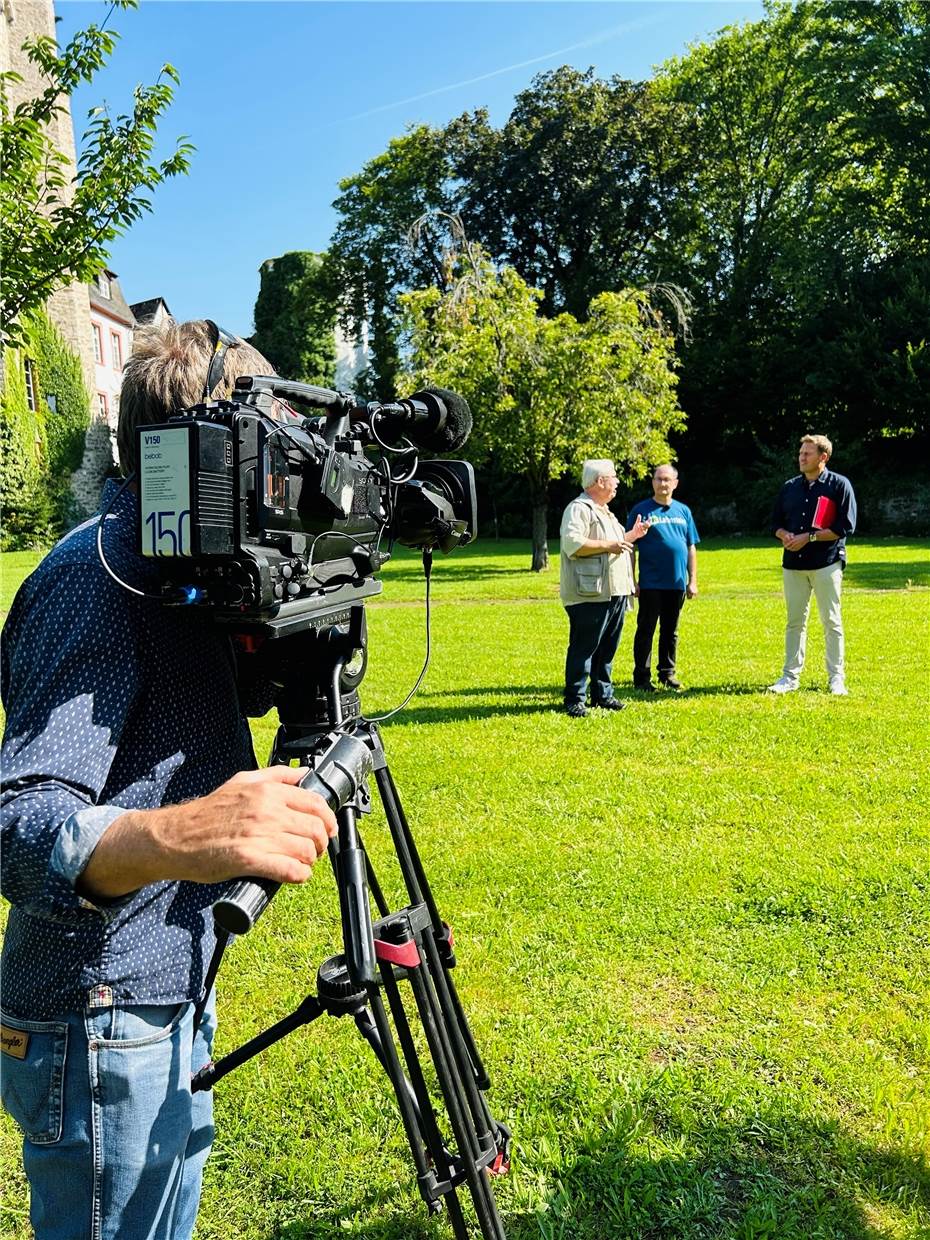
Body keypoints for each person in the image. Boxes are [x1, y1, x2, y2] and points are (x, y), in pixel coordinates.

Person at [0, 320, 338, 1240]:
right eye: (268, 453)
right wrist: (192, 835)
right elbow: (19, 830)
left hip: (169, 981)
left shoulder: (183, 567)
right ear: (199, 457)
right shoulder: (95, 580)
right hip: (100, 1011)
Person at [768, 433, 857, 695]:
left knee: (831, 621)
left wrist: (810, 537)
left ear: (823, 457)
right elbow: (776, 523)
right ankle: (789, 677)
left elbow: (845, 527)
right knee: (795, 622)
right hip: (793, 564)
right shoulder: (789, 487)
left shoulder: (840, 485)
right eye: (800, 453)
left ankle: (836, 678)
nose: (801, 457)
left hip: (826, 563)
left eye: (807, 453)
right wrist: (783, 535)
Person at [559, 459, 647, 717]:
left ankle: (602, 695)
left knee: (607, 647)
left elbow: (616, 543)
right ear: (599, 481)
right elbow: (573, 544)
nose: (617, 481)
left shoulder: (606, 511)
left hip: (616, 590)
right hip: (590, 592)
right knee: (584, 647)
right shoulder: (579, 509)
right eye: (614, 477)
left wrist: (633, 535)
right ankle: (575, 698)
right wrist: (609, 545)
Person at [627, 463, 700, 691]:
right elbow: (630, 546)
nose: (662, 483)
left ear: (675, 483)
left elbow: (690, 547)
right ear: (652, 482)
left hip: (676, 582)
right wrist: (632, 580)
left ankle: (667, 673)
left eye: (667, 479)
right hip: (650, 583)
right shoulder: (641, 510)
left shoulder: (683, 511)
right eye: (658, 479)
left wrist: (693, 580)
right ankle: (641, 676)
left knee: (670, 630)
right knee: (646, 629)